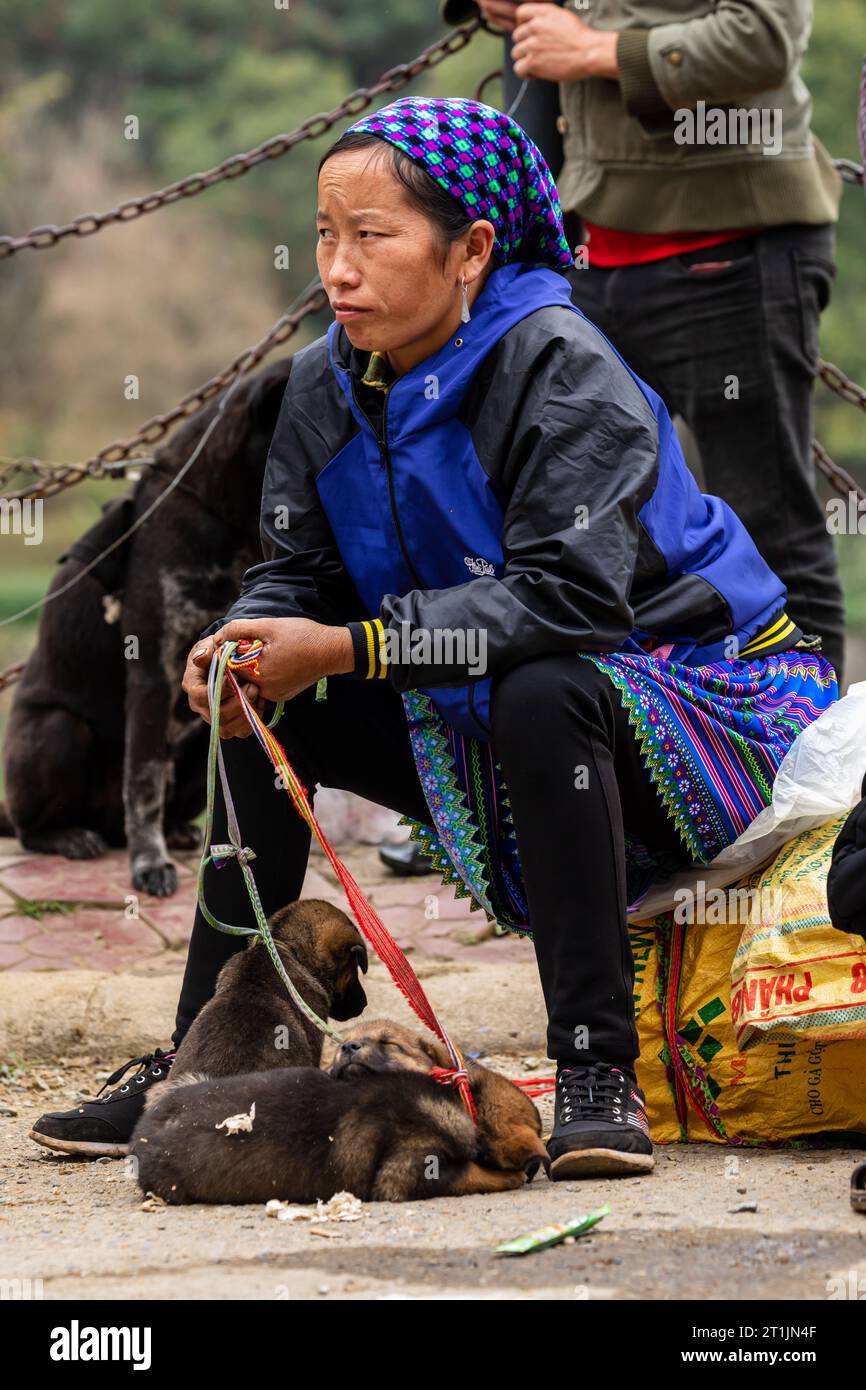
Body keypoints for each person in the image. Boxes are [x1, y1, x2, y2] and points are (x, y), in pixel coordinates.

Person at [30, 97, 837, 1179]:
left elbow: (567, 604)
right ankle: (205, 1065)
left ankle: (597, 1074)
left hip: (707, 699)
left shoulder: (562, 366)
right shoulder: (325, 379)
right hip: (485, 684)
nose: (338, 268)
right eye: (325, 234)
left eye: (372, 237)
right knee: (267, 681)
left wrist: (351, 647)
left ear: (470, 252)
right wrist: (243, 641)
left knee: (542, 686)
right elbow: (292, 569)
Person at [443, 0, 846, 682]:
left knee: (772, 535)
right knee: (583, 535)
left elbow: (765, 37)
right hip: (591, 256)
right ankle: (664, 763)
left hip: (732, 252)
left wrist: (597, 50)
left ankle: (819, 781)